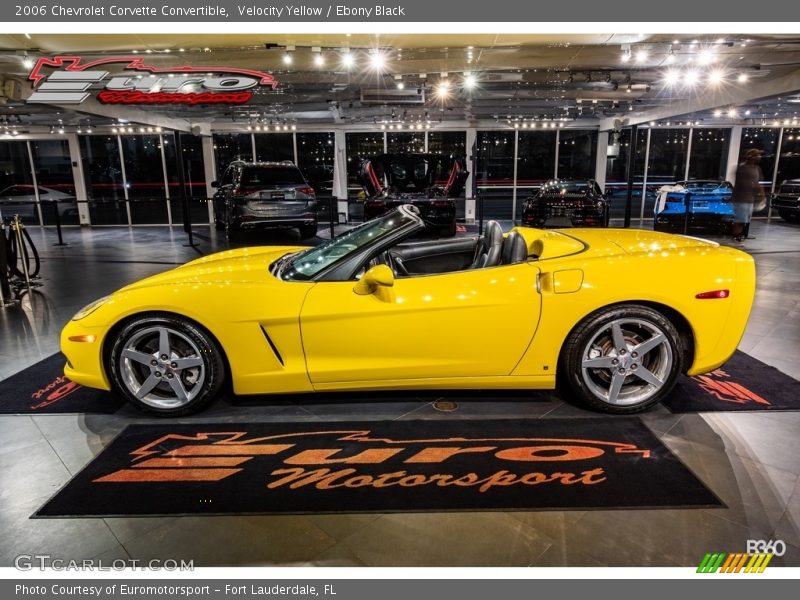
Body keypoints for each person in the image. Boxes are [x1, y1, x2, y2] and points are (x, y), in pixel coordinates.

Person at [730, 148, 766, 242]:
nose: (759, 157)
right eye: (757, 155)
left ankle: (739, 236)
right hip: (741, 198)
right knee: (740, 220)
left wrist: (761, 195)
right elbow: (741, 184)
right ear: (751, 157)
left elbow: (757, 183)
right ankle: (736, 237)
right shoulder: (742, 168)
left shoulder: (757, 169)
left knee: (744, 220)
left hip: (750, 199)